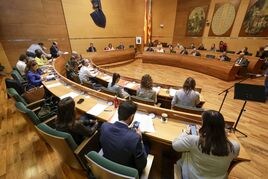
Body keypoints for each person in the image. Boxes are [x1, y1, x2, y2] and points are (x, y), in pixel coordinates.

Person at [172, 110, 240, 179]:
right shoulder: (235, 146)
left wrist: (185, 133)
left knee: (186, 151)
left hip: (192, 176)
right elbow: (234, 156)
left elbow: (175, 145)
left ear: (205, 126)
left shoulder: (194, 140)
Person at [100, 100, 147, 175]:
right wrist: (140, 140)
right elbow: (142, 165)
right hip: (125, 172)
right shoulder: (135, 137)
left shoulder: (104, 126)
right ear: (131, 116)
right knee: (147, 146)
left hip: (107, 166)